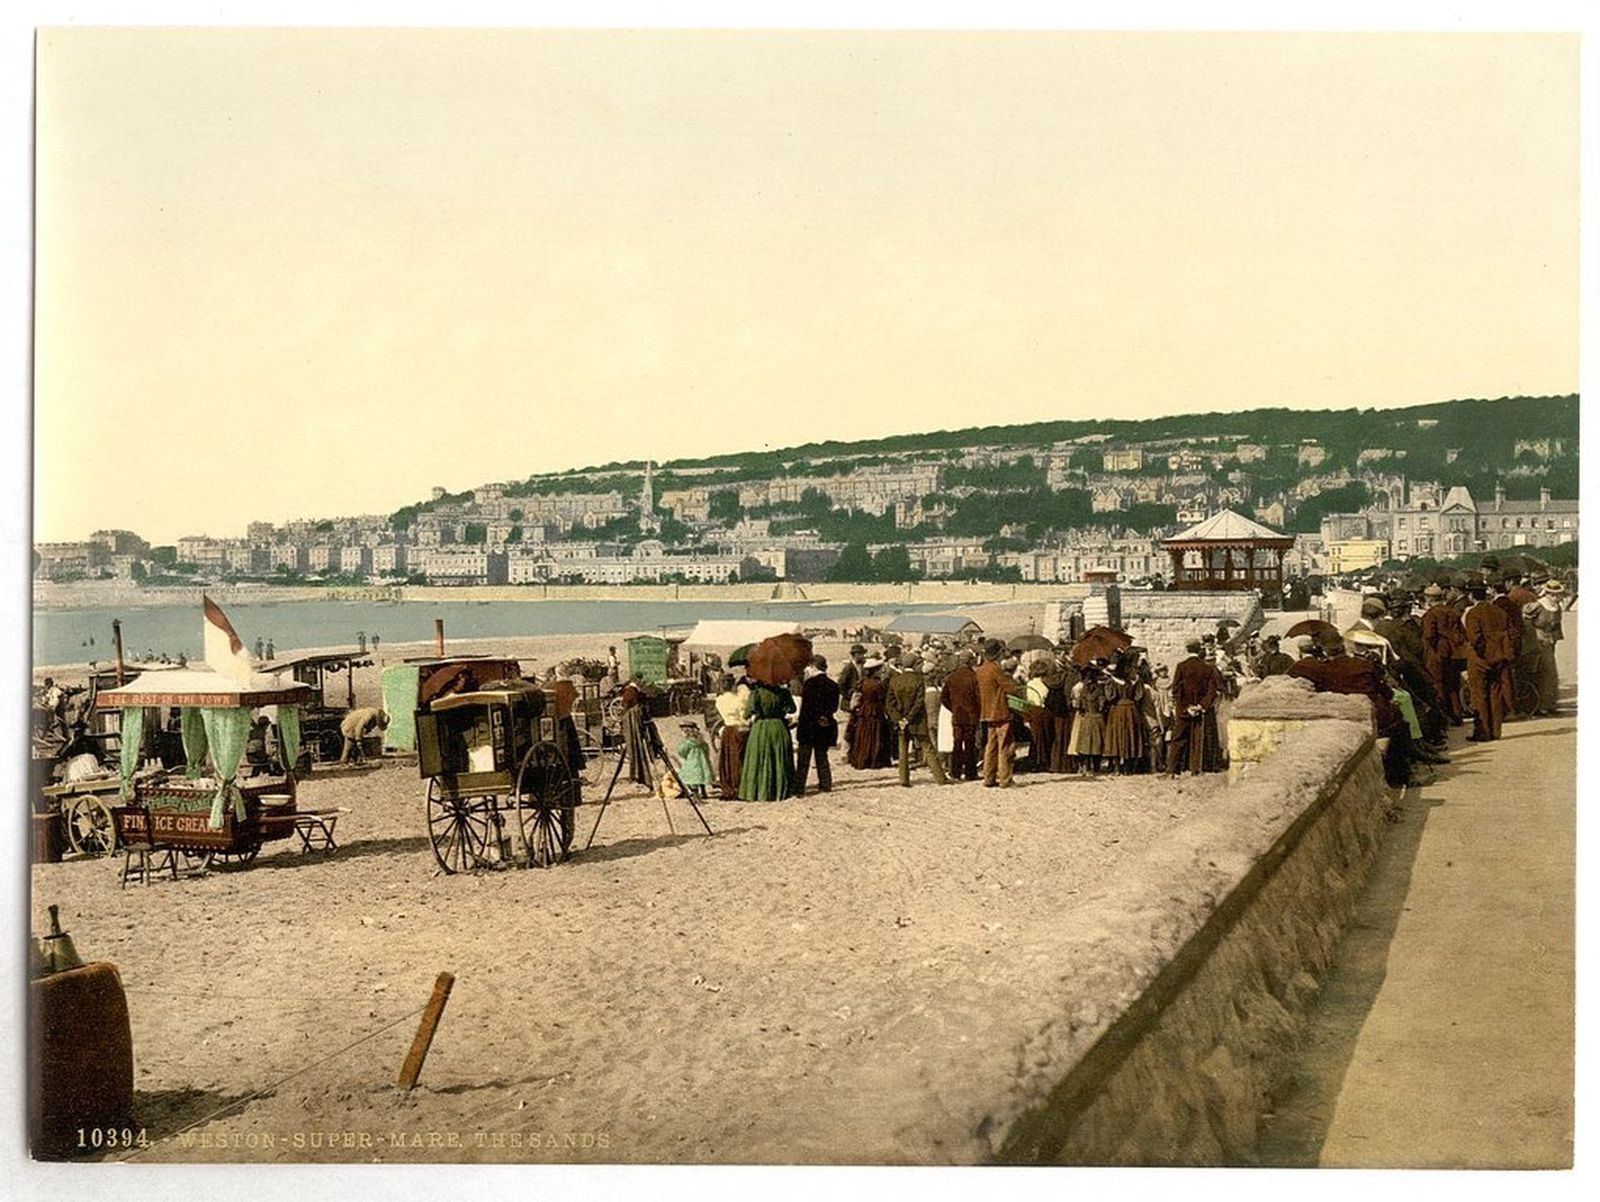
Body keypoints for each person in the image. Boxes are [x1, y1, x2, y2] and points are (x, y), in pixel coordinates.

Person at [885, 652, 949, 787]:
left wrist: (899, 719)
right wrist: (908, 718)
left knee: (903, 750)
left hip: (901, 722)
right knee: (928, 748)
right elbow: (919, 702)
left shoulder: (895, 680)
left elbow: (889, 704)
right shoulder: (918, 680)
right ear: (914, 664)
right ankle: (940, 778)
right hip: (917, 720)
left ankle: (904, 779)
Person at [1463, 582, 1513, 742]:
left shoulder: (1473, 613)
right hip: (1499, 656)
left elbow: (1475, 638)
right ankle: (1496, 731)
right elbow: (1510, 633)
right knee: (1495, 693)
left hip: (1480, 658)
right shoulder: (1499, 611)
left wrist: (1483, 652)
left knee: (1479, 695)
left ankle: (1483, 731)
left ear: (1471, 596)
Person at [1167, 640, 1223, 776]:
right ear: (1199, 650)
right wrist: (1200, 706)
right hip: (1199, 709)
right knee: (1198, 739)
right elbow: (1212, 692)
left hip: (1184, 709)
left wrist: (1186, 707)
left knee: (1178, 739)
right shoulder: (1208, 668)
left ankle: (1172, 770)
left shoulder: (1181, 666)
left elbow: (1176, 689)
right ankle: (1195, 769)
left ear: (1187, 649)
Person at [739, 678, 796, 801]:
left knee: (760, 758)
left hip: (762, 728)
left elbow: (747, 713)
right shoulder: (784, 692)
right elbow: (792, 709)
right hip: (779, 727)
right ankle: (780, 790)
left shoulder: (757, 693)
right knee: (778, 758)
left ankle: (760, 791)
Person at [976, 639, 1022, 788]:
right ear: (998, 653)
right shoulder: (995, 669)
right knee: (1006, 746)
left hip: (987, 711)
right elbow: (1011, 689)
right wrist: (1015, 682)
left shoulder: (981, 669)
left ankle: (988, 777)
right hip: (1000, 711)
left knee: (991, 745)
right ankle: (1005, 779)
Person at [1420, 583, 1467, 726]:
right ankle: (1457, 715)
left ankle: (1444, 717)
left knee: (1439, 685)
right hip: (1455, 653)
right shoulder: (1452, 611)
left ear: (1429, 599)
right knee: (1453, 684)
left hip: (1437, 652)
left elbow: (1429, 635)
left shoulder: (1431, 614)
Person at [795, 655, 841, 795]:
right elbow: (834, 707)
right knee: (822, 757)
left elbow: (806, 708)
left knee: (804, 759)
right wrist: (824, 716)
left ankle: (799, 788)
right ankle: (825, 785)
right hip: (825, 725)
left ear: (814, 667)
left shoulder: (809, 684)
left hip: (809, 726)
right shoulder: (833, 685)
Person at [939, 651, 982, 781]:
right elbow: (979, 697)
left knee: (957, 743)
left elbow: (944, 697)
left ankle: (955, 771)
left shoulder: (952, 677)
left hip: (957, 715)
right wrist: (978, 710)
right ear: (970, 661)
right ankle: (970, 772)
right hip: (971, 715)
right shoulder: (974, 677)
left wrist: (953, 708)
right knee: (970, 743)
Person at [1525, 580, 1565, 716]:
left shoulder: (1557, 607)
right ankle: (1540, 705)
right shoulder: (1538, 605)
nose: (1555, 598)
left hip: (1549, 642)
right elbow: (1526, 621)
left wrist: (1554, 637)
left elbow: (1556, 626)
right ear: (1546, 593)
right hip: (1537, 642)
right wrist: (1536, 632)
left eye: (1557, 595)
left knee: (1550, 673)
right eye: (1552, 595)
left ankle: (1550, 703)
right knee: (1544, 672)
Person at [846, 659, 893, 770]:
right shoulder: (877, 684)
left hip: (863, 710)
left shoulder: (862, 682)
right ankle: (874, 759)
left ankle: (862, 758)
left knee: (863, 734)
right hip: (875, 709)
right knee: (875, 733)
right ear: (875, 671)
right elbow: (881, 698)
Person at [1490, 577, 1527, 718]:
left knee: (1504, 678)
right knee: (1510, 677)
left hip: (1503, 646)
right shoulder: (1512, 603)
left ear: (1494, 590)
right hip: (1515, 643)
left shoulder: (1497, 605)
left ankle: (1508, 709)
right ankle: (1513, 707)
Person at [1068, 661, 1108, 775]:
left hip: (1085, 717)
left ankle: (1084, 767)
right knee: (1097, 743)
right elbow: (1102, 706)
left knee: (1084, 744)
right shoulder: (1100, 690)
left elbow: (1077, 705)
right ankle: (1095, 767)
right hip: (1097, 718)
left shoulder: (1082, 689)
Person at [715, 675, 751, 800]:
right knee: (738, 758)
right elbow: (743, 715)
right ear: (732, 685)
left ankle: (728, 783)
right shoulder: (738, 699)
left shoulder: (719, 700)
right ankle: (739, 785)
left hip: (727, 729)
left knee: (728, 759)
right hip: (738, 729)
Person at [674, 722, 714, 800]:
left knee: (690, 777)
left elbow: (681, 751)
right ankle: (703, 791)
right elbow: (707, 749)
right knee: (701, 777)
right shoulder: (701, 742)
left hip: (692, 762)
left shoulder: (688, 743)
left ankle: (695, 793)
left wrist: (684, 756)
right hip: (702, 762)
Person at [835, 644, 868, 712]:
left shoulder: (862, 666)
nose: (863, 656)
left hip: (859, 701)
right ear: (855, 655)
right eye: (861, 654)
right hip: (849, 703)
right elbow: (840, 684)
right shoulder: (848, 668)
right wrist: (849, 695)